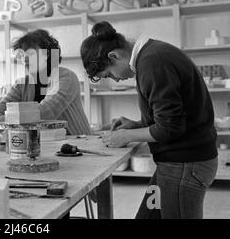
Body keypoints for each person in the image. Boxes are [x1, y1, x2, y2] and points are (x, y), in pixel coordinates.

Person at [80, 21, 218, 219]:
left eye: (109, 73)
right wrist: (136, 125)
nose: (115, 79)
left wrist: (127, 136)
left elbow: (171, 127)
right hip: (174, 163)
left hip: (186, 164)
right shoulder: (152, 54)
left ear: (114, 56)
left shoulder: (153, 62)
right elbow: (170, 116)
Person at [0, 29, 91, 137]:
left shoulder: (66, 77)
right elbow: (5, 105)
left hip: (78, 144)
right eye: (21, 55)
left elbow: (48, 110)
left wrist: (8, 118)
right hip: (43, 145)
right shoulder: (22, 84)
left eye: (30, 54)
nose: (24, 59)